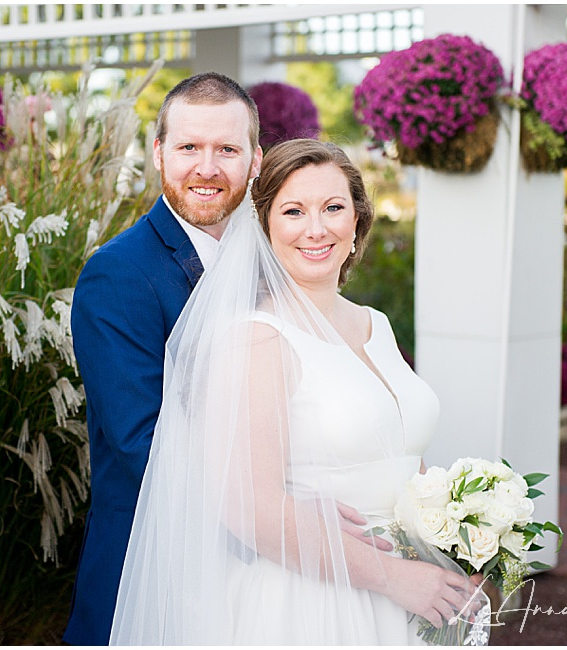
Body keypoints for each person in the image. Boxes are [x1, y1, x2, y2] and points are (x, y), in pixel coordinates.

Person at [111, 139, 490, 645]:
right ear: (266, 228)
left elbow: (402, 455)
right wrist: (395, 578)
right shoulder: (257, 338)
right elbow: (249, 509)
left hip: (410, 589)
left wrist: (460, 540)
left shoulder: (375, 324)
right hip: (312, 603)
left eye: (333, 207)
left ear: (357, 220)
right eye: (294, 211)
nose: (317, 228)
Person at [62, 72, 263, 646]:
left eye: (227, 149)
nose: (207, 167)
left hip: (261, 582)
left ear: (255, 158)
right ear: (158, 154)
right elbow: (139, 445)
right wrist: (276, 522)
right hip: (155, 575)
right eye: (189, 148)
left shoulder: (278, 258)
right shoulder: (118, 273)